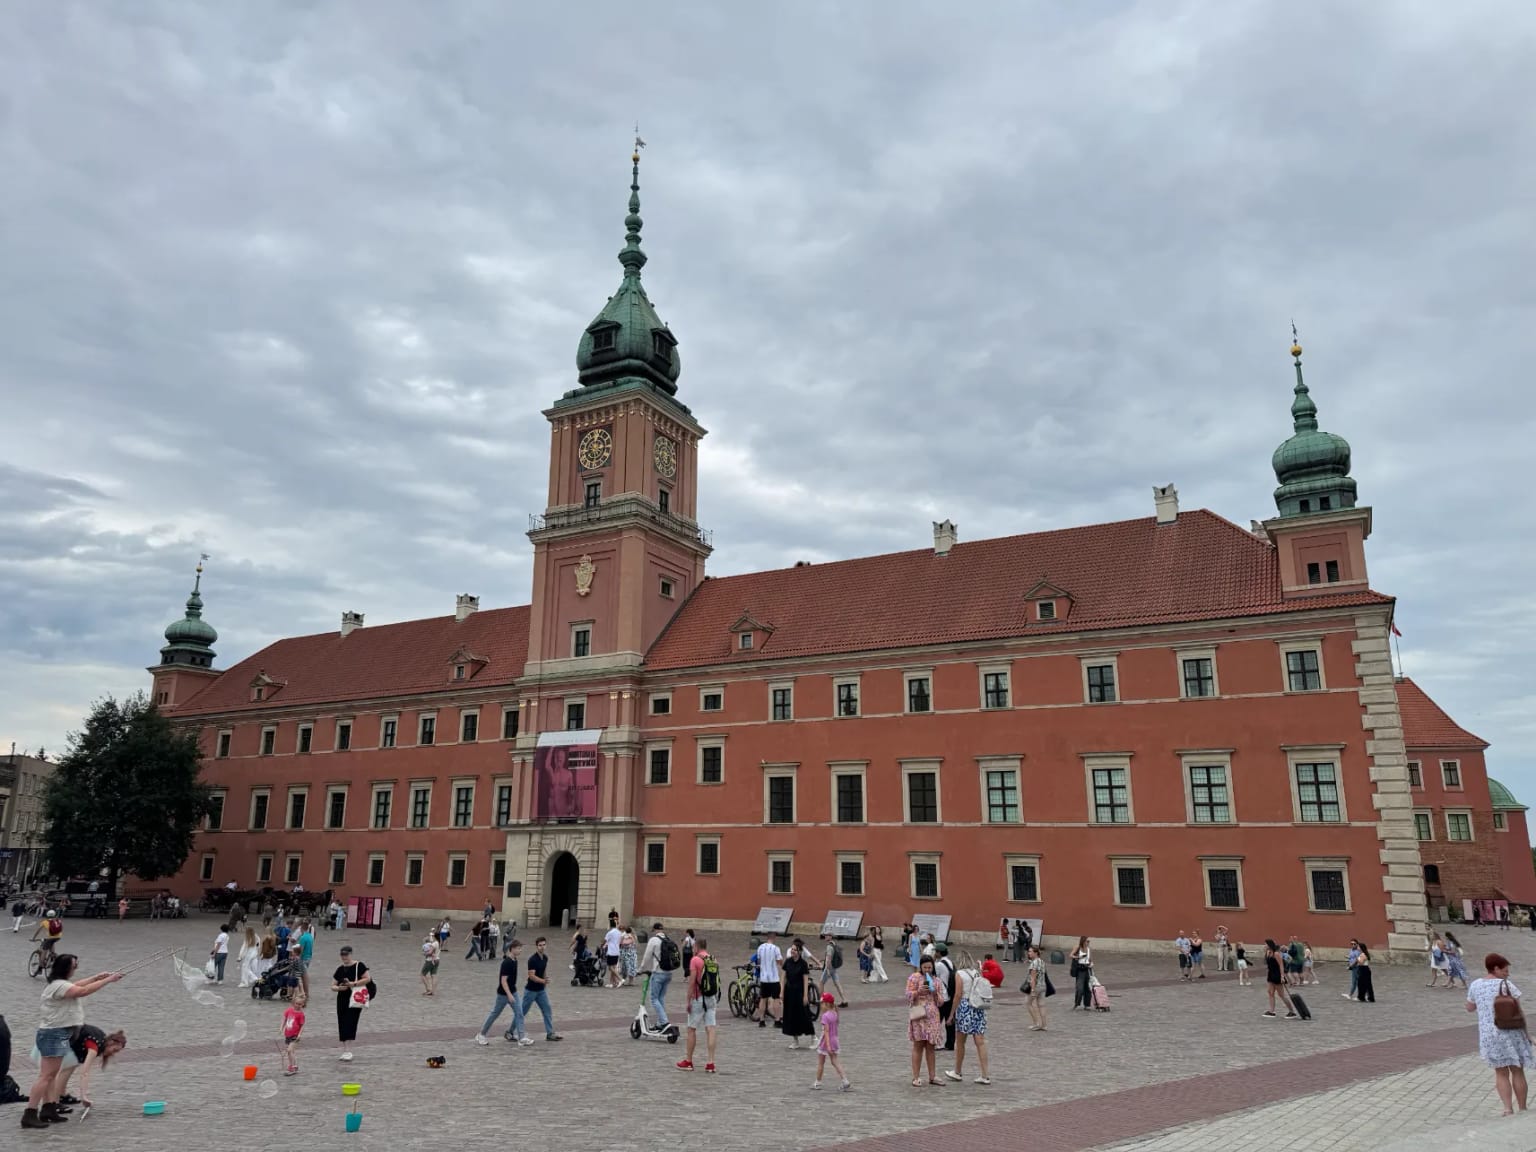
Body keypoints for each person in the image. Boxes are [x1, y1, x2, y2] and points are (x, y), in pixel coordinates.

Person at [20, 954, 122, 1129]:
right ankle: (29, 1113)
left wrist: (97, 977)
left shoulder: (59, 984)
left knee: (51, 1075)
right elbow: (82, 991)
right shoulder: (59, 986)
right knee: (46, 1076)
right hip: (53, 1034)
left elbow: (77, 985)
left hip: (58, 1034)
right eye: (74, 965)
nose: (76, 968)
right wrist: (108, 981)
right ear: (66, 968)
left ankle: (49, 1109)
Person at [1467, 951, 1532, 1114]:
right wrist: (1528, 1034)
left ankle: (1507, 1108)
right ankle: (1522, 1108)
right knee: (1517, 1070)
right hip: (1512, 1032)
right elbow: (1519, 1011)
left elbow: (1469, 1007)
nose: (1507, 974)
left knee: (1501, 1072)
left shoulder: (1475, 985)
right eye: (1505, 970)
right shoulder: (1507, 986)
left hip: (1490, 1035)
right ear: (1495, 968)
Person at [52, 1024, 126, 1111]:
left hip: (69, 1040)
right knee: (66, 1069)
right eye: (114, 1050)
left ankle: (61, 1095)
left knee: (70, 1065)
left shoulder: (101, 1040)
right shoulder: (94, 1047)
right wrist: (84, 1096)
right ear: (110, 1043)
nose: (113, 1054)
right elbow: (85, 1073)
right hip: (60, 1039)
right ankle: (54, 1102)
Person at [475, 938, 532, 1047]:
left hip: (513, 991)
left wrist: (512, 993)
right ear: (512, 949)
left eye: (521, 948)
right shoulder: (507, 962)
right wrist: (509, 995)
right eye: (519, 949)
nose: (520, 951)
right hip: (503, 994)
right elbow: (503, 981)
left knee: (519, 1013)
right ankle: (481, 1034)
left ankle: (522, 1037)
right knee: (495, 1014)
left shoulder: (515, 960)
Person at [946, 952, 992, 1084]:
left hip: (965, 1007)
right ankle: (985, 1074)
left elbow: (958, 994)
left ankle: (958, 1071)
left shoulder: (959, 974)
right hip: (978, 1007)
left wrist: (951, 1013)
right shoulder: (976, 972)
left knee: (960, 1041)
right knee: (980, 1041)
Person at [676, 936, 719, 1073]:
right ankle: (711, 1062)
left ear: (696, 947)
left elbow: (692, 982)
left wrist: (688, 1000)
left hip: (698, 998)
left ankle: (688, 1061)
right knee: (710, 1028)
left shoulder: (695, 960)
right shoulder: (712, 959)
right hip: (711, 997)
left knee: (691, 1029)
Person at [906, 955, 947, 1087]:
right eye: (925, 967)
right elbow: (908, 995)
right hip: (919, 1015)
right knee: (918, 1045)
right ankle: (916, 1077)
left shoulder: (936, 980)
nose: (927, 970)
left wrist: (935, 993)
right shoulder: (913, 978)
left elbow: (941, 1002)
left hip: (932, 1016)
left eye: (929, 967)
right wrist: (918, 992)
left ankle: (932, 1076)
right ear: (921, 967)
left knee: (931, 1046)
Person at [519, 937, 562, 1041]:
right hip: (530, 991)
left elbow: (544, 970)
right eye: (540, 945)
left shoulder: (545, 958)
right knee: (521, 1012)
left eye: (544, 945)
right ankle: (510, 1031)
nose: (542, 947)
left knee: (547, 1009)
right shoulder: (532, 960)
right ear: (536, 946)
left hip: (541, 991)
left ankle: (550, 1033)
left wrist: (545, 980)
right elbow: (531, 976)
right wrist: (543, 981)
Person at [331, 945, 369, 1061]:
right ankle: (345, 1049)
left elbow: (367, 978)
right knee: (342, 1022)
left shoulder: (359, 965)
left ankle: (348, 1049)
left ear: (351, 954)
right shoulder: (340, 969)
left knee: (351, 1021)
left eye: (346, 955)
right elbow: (333, 985)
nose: (344, 957)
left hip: (355, 997)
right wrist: (338, 988)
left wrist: (353, 984)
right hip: (342, 998)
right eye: (342, 955)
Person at [781, 939, 817, 1050]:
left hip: (800, 992)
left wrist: (806, 995)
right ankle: (795, 1040)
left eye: (794, 950)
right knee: (791, 1016)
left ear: (799, 952)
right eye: (792, 949)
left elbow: (805, 980)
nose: (792, 951)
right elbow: (783, 977)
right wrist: (781, 991)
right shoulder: (787, 962)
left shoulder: (803, 964)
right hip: (789, 993)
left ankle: (814, 1038)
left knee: (805, 1015)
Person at [639, 923, 675, 1029]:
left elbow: (646, 957)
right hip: (668, 973)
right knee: (661, 998)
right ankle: (660, 1023)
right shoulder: (668, 939)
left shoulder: (653, 940)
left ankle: (664, 1022)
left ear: (654, 930)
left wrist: (640, 970)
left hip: (658, 973)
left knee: (654, 999)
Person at [812, 992, 850, 1090]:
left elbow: (826, 1032)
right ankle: (845, 1080)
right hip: (835, 1040)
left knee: (821, 1062)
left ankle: (818, 1082)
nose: (821, 1005)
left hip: (826, 1042)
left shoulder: (825, 1016)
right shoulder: (835, 1013)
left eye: (822, 1003)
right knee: (835, 1061)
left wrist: (828, 1046)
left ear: (826, 1004)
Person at [754, 932, 784, 1028]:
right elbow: (780, 961)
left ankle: (761, 1020)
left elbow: (758, 960)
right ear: (774, 937)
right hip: (773, 978)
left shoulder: (760, 948)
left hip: (763, 978)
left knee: (763, 999)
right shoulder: (776, 948)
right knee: (776, 999)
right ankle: (777, 1020)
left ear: (767, 937)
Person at [1263, 939, 1299, 1018]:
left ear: (1269, 945)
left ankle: (1292, 1011)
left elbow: (1281, 965)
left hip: (1277, 975)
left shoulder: (1276, 954)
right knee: (1270, 992)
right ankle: (1272, 1011)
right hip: (1271, 975)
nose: (1264, 946)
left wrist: (1282, 976)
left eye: (1265, 944)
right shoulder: (1268, 953)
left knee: (1281, 994)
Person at [1024, 944, 1048, 1030]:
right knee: (1041, 1005)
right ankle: (1044, 1025)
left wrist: (1033, 990)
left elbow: (1033, 978)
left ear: (1036, 953)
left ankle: (1036, 1023)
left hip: (1036, 986)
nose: (1028, 953)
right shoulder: (1041, 961)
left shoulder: (1034, 964)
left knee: (1028, 1003)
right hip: (1043, 985)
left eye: (1030, 951)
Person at [281, 991, 306, 1075]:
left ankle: (293, 1067)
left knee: (289, 1050)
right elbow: (284, 1018)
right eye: (296, 1003)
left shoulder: (301, 1014)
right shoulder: (289, 1010)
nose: (298, 1005)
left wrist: (299, 1035)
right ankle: (292, 1065)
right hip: (288, 1034)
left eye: (300, 1004)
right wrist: (281, 1027)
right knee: (291, 1052)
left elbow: (302, 1026)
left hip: (295, 1036)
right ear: (293, 1003)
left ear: (302, 1005)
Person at [821, 934, 849, 1006]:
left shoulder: (829, 947)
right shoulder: (834, 944)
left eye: (827, 935)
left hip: (829, 967)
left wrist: (827, 970)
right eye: (825, 935)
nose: (825, 936)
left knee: (821, 983)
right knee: (837, 983)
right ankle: (844, 1000)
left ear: (830, 937)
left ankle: (822, 1000)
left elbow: (829, 959)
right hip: (834, 967)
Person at [1070, 936, 1093, 1010]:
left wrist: (1091, 963)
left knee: (1087, 988)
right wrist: (1078, 957)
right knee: (1080, 988)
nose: (1088, 943)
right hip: (1080, 969)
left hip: (1087, 969)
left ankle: (1087, 1004)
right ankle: (1077, 1003)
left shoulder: (1089, 949)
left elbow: (1090, 959)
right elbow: (1070, 955)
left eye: (1089, 941)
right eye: (1087, 941)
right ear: (1083, 941)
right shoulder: (1077, 947)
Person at [603, 920, 624, 987]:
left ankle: (620, 979)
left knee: (610, 967)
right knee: (613, 967)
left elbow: (605, 940)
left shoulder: (610, 932)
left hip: (611, 952)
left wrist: (603, 945)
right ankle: (611, 983)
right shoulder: (620, 933)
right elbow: (620, 942)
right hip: (616, 951)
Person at [421, 931, 441, 996]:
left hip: (430, 961)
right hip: (437, 960)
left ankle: (428, 989)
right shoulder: (438, 943)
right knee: (433, 975)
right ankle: (433, 991)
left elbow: (430, 953)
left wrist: (424, 953)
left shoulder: (434, 944)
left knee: (422, 974)